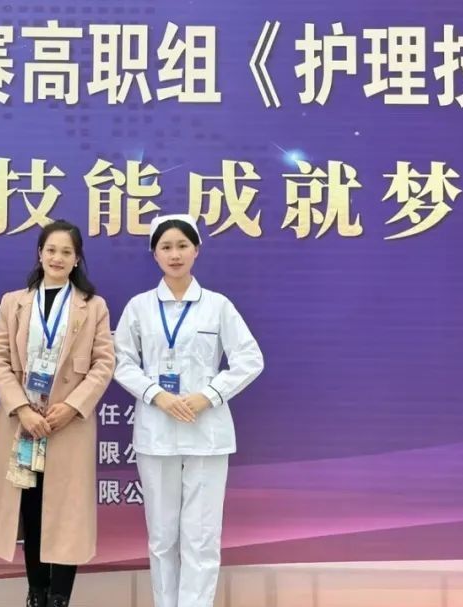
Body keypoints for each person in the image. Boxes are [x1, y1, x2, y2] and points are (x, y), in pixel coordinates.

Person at [112, 214, 264, 607]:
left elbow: (250, 359)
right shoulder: (139, 307)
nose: (175, 254)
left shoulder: (218, 306)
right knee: (162, 536)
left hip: (206, 431)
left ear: (197, 250)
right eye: (166, 247)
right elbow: (120, 361)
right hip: (156, 429)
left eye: (182, 245)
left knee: (202, 536)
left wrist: (209, 395)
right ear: (154, 254)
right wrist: (155, 395)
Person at [0, 220, 116, 607]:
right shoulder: (14, 302)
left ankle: (59, 597)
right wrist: (22, 408)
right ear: (40, 254)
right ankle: (36, 593)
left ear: (77, 259)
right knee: (31, 506)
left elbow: (104, 364)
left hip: (67, 425)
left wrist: (71, 407)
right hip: (24, 425)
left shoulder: (93, 306)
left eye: (66, 252)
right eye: (51, 250)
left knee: (66, 510)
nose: (57, 258)